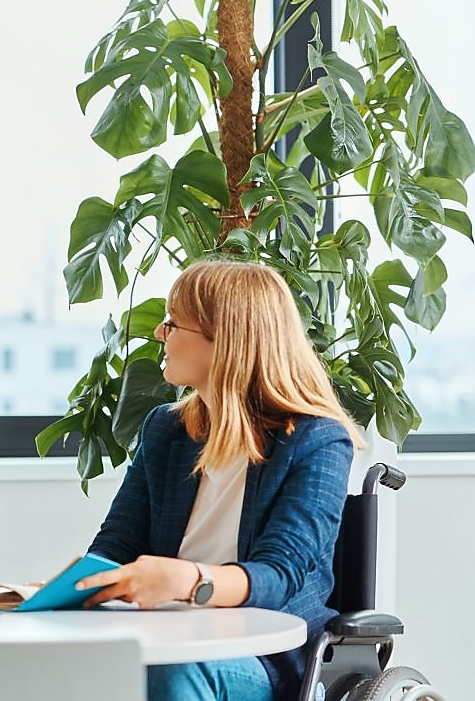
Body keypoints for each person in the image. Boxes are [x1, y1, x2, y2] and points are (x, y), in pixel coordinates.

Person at [74, 260, 361, 701]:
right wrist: (59, 592)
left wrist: (187, 581)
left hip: (263, 659)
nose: (159, 334)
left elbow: (277, 576)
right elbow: (115, 547)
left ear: (224, 341)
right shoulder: (165, 429)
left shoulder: (316, 440)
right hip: (160, 638)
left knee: (175, 674)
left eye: (172, 324)